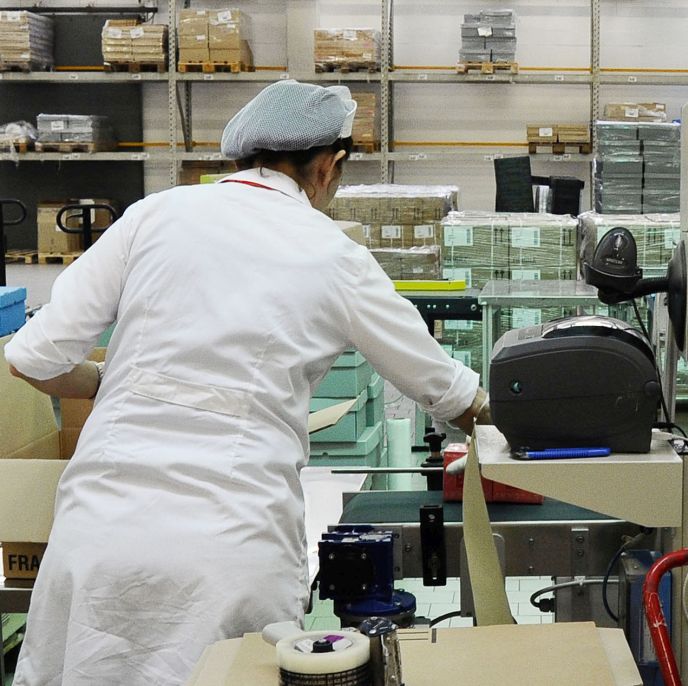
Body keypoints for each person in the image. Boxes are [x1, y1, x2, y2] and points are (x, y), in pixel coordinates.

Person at [4, 81, 488, 685]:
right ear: (328, 166)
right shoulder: (333, 254)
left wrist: (113, 381)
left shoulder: (155, 214)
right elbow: (448, 390)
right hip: (228, 546)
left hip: (100, 535)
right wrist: (519, 421)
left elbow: (32, 358)